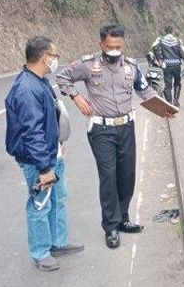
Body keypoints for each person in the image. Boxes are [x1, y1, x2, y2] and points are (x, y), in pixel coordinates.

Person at [57, 23, 174, 249]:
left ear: (123, 44)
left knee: (127, 175)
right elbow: (63, 77)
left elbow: (144, 90)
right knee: (108, 176)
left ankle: (123, 218)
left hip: (126, 128)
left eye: (118, 46)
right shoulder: (89, 65)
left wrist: (164, 109)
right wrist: (76, 97)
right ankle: (110, 226)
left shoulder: (130, 67)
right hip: (102, 130)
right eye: (110, 46)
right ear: (101, 44)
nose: (114, 50)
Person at [5, 35, 84, 271]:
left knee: (58, 199)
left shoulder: (40, 82)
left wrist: (58, 144)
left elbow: (49, 120)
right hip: (38, 161)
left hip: (51, 154)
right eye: (54, 56)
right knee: (40, 204)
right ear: (43, 57)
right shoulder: (27, 90)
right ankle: (40, 252)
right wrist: (44, 168)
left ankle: (57, 242)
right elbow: (31, 132)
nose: (56, 60)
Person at [150, 24, 184, 106]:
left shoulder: (161, 39)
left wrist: (159, 59)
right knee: (177, 83)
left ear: (165, 32)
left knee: (167, 84)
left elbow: (154, 47)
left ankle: (169, 101)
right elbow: (183, 53)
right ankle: (175, 101)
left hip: (166, 65)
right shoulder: (178, 40)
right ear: (173, 32)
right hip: (176, 65)